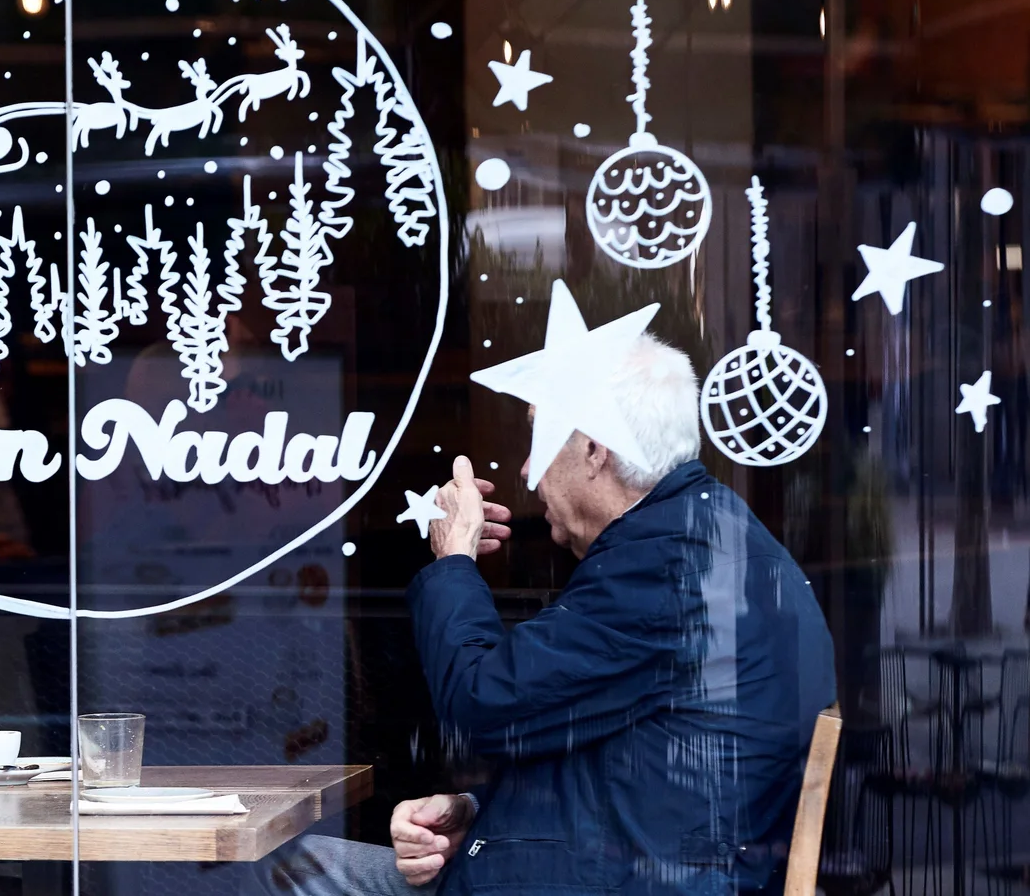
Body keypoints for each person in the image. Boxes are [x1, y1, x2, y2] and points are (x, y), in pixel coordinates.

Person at [254, 334, 835, 895]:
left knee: (287, 865)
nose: (529, 468)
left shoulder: (663, 570)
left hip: (618, 884)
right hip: (636, 870)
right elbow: (612, 748)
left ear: (593, 451)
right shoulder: (707, 542)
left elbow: (480, 706)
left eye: (542, 438)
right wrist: (476, 817)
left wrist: (454, 557)